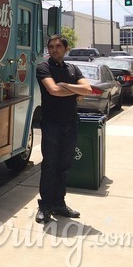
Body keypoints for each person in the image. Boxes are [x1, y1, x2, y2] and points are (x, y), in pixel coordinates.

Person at [35, 34, 92, 224]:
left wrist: (66, 85)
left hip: (70, 123)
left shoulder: (73, 68)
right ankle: (44, 207)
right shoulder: (43, 67)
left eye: (58, 46)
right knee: (50, 165)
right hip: (51, 124)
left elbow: (88, 89)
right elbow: (53, 90)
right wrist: (75, 90)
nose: (54, 49)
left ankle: (59, 204)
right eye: (51, 46)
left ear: (65, 49)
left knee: (64, 166)